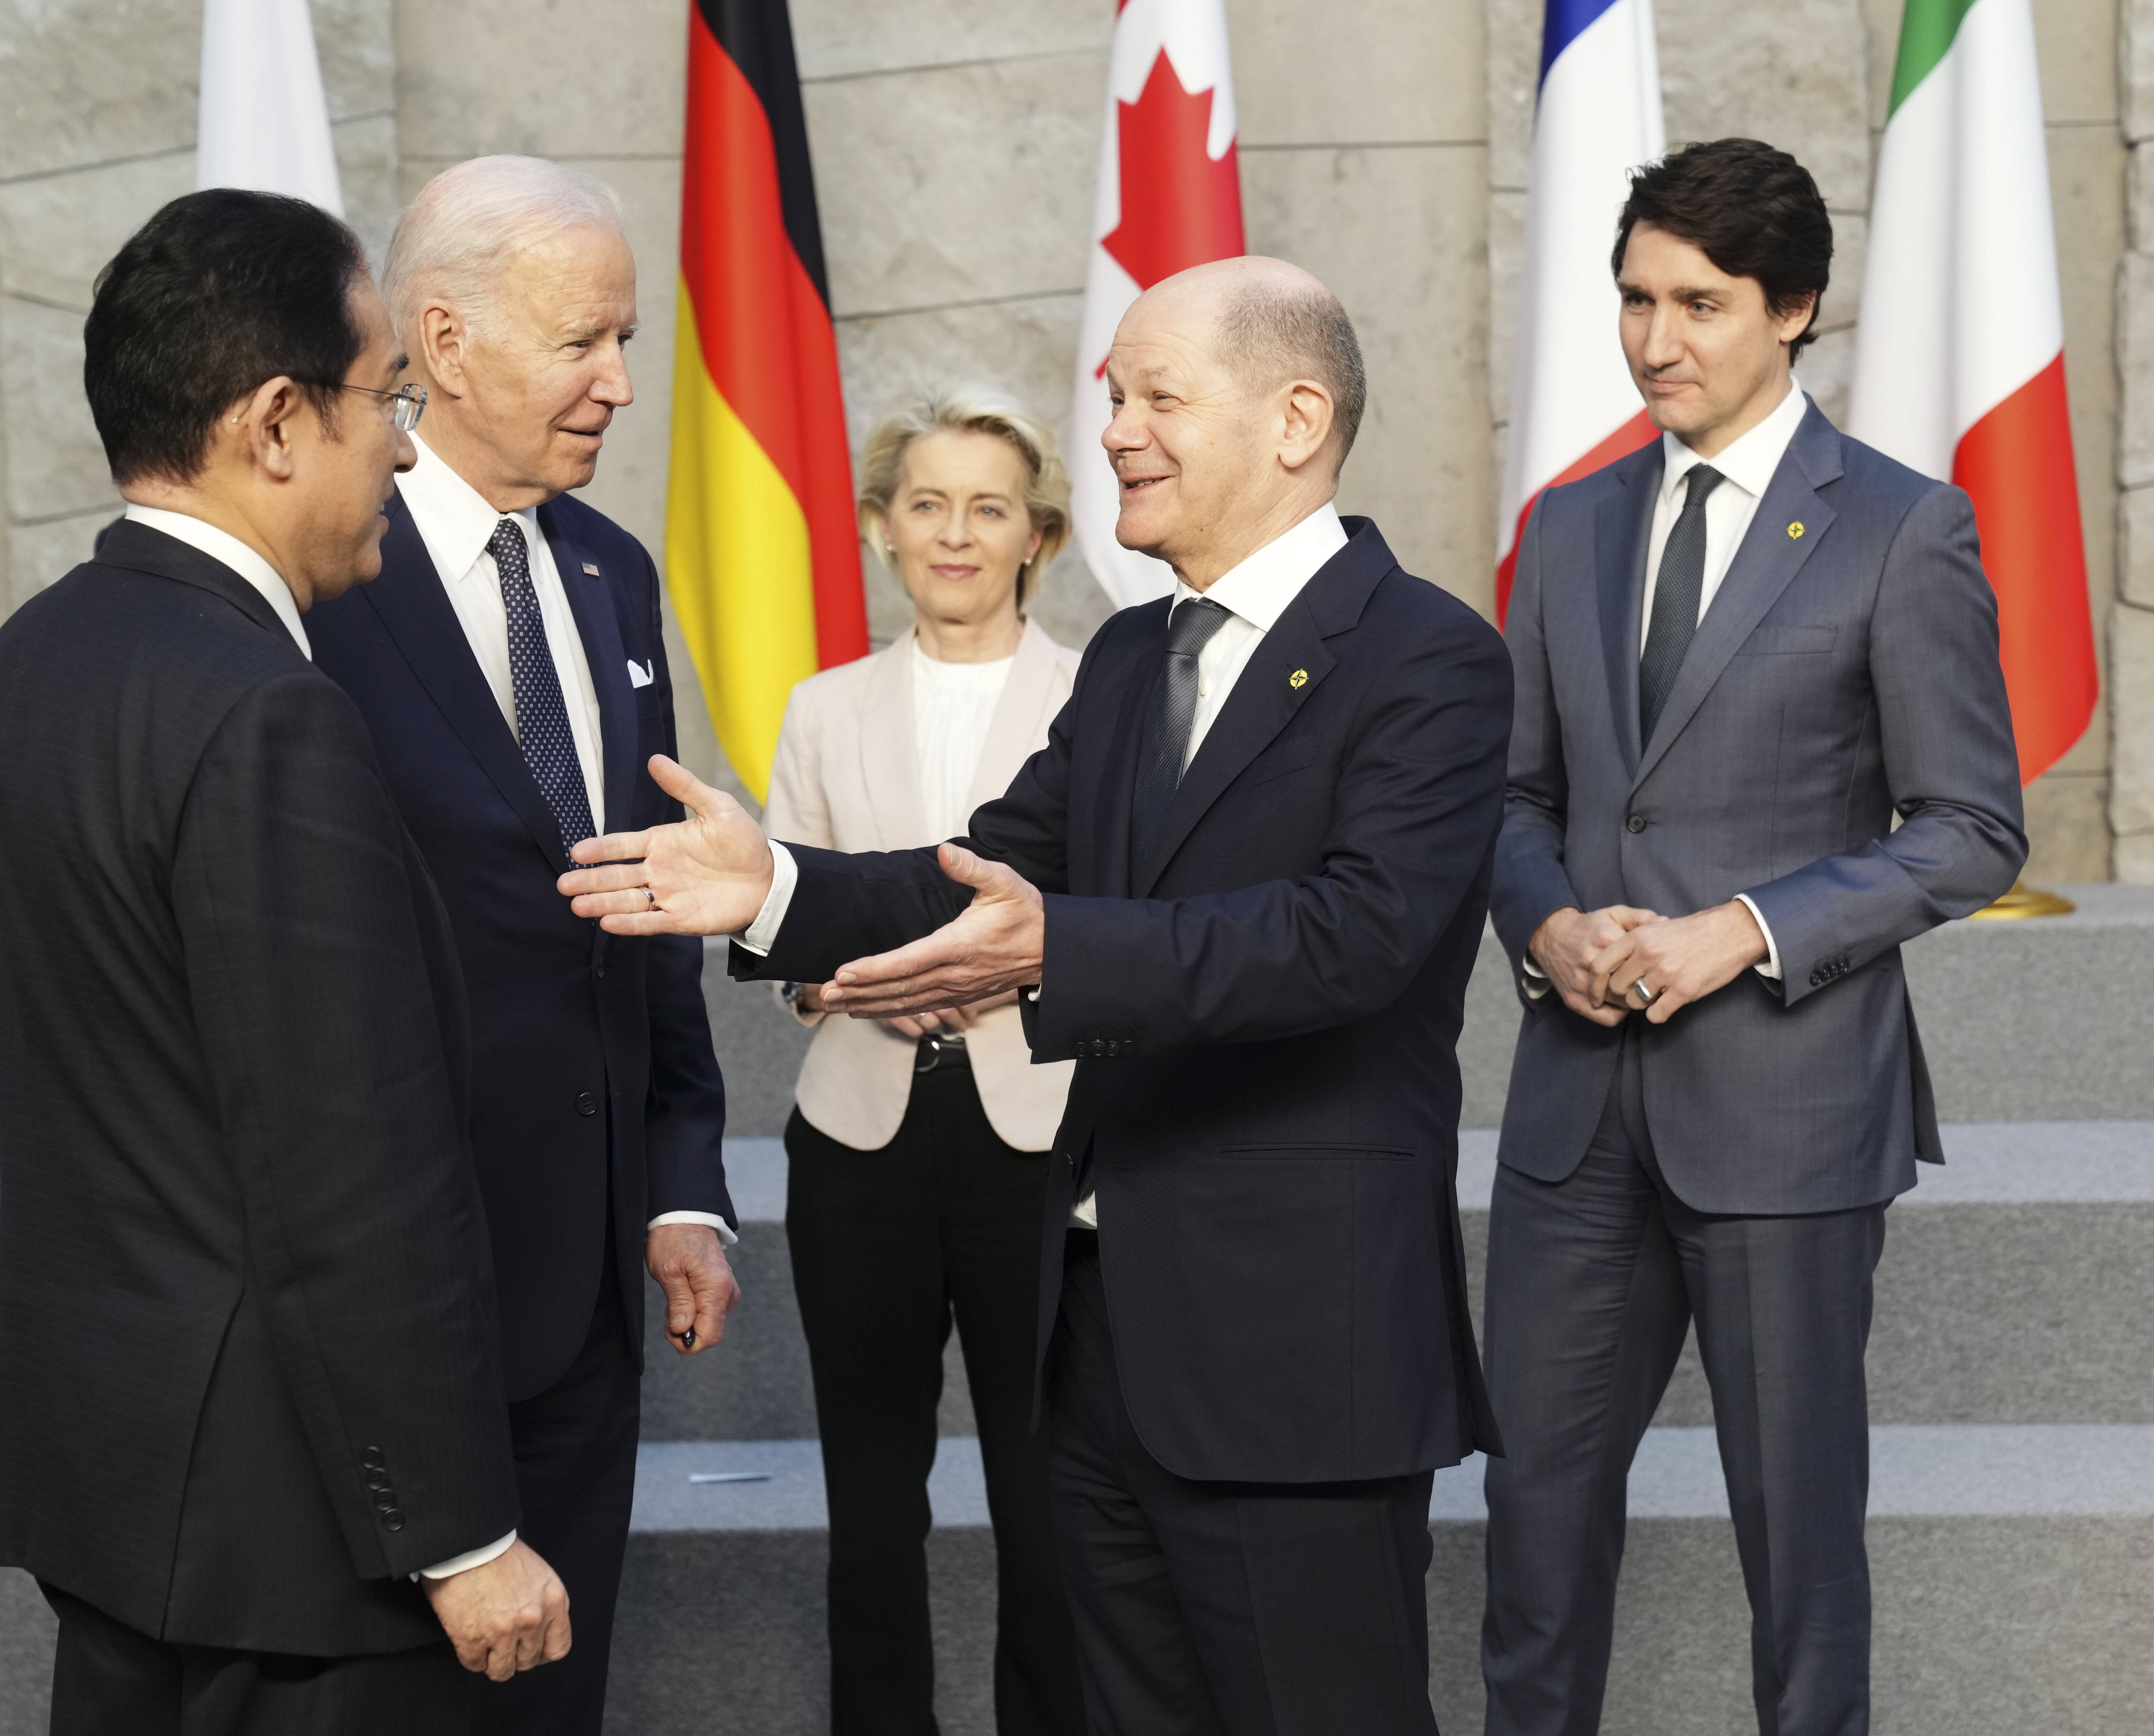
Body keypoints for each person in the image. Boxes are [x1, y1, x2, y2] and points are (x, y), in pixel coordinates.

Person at [560, 255, 1514, 1736]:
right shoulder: (1133, 657)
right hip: (1103, 1342)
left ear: (1295, 419)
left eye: (1155, 397)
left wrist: (1057, 951)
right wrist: (778, 892)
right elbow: (989, 870)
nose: (1118, 427)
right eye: (1115, 395)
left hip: (1290, 1355)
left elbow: (1354, 939)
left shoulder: (1430, 657)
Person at [0, 189, 573, 1734]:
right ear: (278, 422)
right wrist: (463, 1532)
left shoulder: (30, 663)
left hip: (112, 1484)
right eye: (389, 403)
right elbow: (348, 1171)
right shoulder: (270, 717)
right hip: (298, 1552)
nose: (408, 451)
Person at [1480, 139, 2026, 1736]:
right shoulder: (1567, 526)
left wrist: (1747, 930)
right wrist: (1552, 925)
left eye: (1700, 304)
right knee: (1531, 1542)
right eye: (1637, 299)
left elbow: (1973, 829)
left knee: (1799, 1560)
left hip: (1789, 1119)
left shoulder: (1901, 531)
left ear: (1793, 310)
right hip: (1575, 1120)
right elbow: (1510, 797)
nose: (1657, 340)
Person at [304, 155, 738, 1736]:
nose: (624, 385)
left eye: (628, 340)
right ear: (447, 336)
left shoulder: (617, 574)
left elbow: (656, 896)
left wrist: (682, 1178)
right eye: (586, 342)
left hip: (591, 1287)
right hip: (394, 1288)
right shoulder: (313, 586)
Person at [764, 387, 1085, 1736]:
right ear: (885, 529)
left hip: (1043, 1144)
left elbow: (1137, 927)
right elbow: (780, 939)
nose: (957, 532)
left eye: (989, 508)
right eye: (929, 504)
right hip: (859, 1146)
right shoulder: (822, 709)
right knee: (872, 1508)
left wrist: (1007, 968)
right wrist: (856, 984)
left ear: (1038, 536)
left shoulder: (1103, 701)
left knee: (1051, 1507)